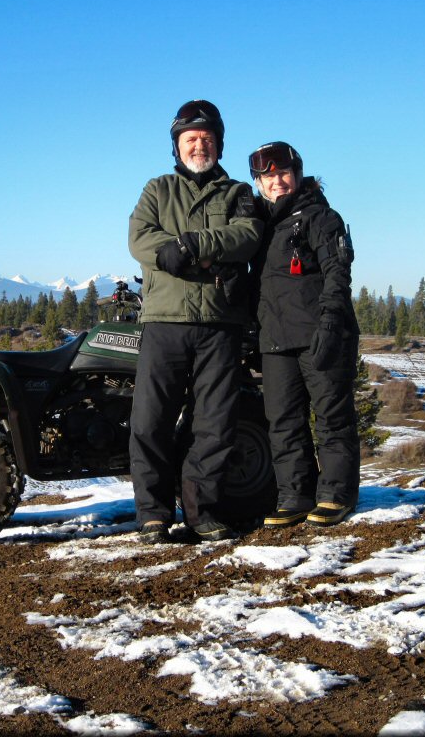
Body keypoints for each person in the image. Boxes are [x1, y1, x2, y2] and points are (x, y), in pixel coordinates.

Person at [127, 99, 263, 543]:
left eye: (206, 138)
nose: (198, 145)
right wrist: (200, 255)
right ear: (177, 146)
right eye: (190, 139)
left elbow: (246, 236)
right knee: (151, 422)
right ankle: (153, 514)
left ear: (219, 145)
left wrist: (187, 245)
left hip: (220, 324)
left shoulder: (239, 193)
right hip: (165, 321)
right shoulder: (157, 189)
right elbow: (141, 238)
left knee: (215, 423)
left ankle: (202, 512)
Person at [247, 141, 360, 528]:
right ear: (259, 182)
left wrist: (331, 324)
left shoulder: (320, 217)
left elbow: (337, 274)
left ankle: (336, 494)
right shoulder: (260, 226)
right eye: (268, 175)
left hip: (320, 334)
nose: (276, 181)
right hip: (275, 339)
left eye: (283, 173)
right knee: (283, 421)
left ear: (296, 174)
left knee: (331, 416)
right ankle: (295, 495)